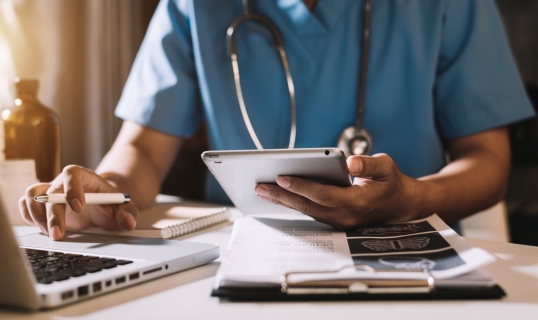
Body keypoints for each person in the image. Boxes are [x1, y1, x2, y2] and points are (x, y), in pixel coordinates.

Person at [19, 0, 534, 240]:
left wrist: (413, 199)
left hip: (404, 245)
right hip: (240, 250)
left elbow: (488, 161)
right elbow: (141, 153)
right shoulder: (193, 6)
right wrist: (103, 192)